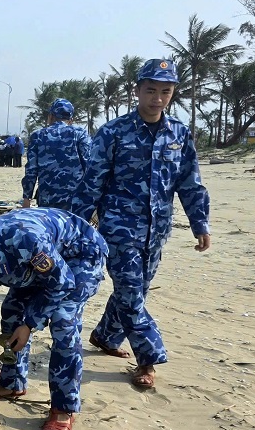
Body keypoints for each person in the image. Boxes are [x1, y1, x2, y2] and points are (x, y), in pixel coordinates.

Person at [70, 58, 211, 390]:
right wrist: (75, 226)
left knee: (135, 291)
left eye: (165, 91)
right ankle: (148, 359)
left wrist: (200, 223)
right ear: (137, 91)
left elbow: (189, 183)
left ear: (173, 93)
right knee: (132, 295)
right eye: (151, 90)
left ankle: (105, 335)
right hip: (119, 229)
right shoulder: (113, 133)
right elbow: (92, 183)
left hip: (157, 230)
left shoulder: (179, 134)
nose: (157, 98)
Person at [0, 208, 108, 430]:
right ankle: (12, 383)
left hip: (80, 255)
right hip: (35, 260)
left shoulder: (29, 244)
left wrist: (30, 324)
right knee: (12, 310)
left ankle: (64, 407)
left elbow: (62, 284)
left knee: (64, 323)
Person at [21, 98, 90, 210]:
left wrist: (26, 198)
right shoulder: (80, 134)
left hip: (47, 198)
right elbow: (89, 166)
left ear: (51, 116)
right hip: (75, 199)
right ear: (71, 119)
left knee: (52, 227)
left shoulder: (37, 136)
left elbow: (31, 170)